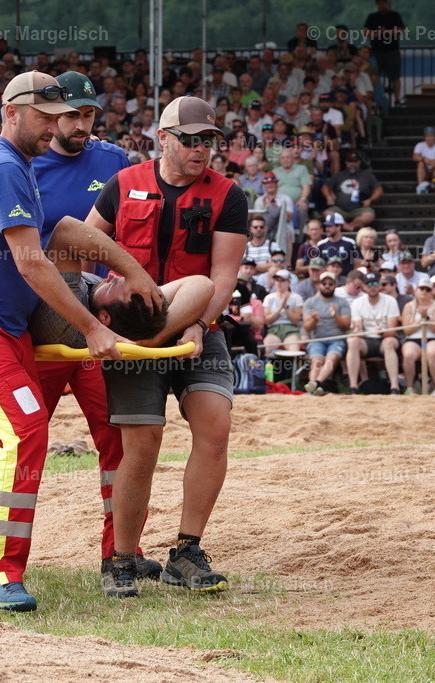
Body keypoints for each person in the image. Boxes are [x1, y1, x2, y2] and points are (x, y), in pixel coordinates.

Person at [0, 72, 154, 611]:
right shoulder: (7, 167)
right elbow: (32, 262)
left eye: (61, 118)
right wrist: (96, 325)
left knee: (18, 435)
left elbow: (63, 236)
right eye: (45, 117)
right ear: (11, 112)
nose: (55, 128)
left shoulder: (15, 164)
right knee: (21, 432)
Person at [85, 95, 249, 598]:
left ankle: (187, 550)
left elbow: (223, 276)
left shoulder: (228, 194)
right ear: (164, 138)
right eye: (191, 139)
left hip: (203, 326)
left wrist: (199, 324)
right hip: (133, 337)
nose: (202, 150)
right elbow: (84, 246)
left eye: (209, 141)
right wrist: (100, 309)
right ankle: (123, 558)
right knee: (142, 444)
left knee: (215, 426)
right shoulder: (123, 184)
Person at [29, 70, 165, 591]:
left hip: (96, 324)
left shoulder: (113, 162)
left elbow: (123, 233)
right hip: (39, 322)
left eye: (88, 114)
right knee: (20, 440)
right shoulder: (23, 161)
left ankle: (119, 554)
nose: (81, 124)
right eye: (71, 115)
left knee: (116, 439)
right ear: (48, 117)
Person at [345, 272, 401, 393]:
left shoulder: (390, 301)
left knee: (389, 343)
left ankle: (394, 387)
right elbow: (358, 327)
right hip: (366, 341)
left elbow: (392, 331)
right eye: (369, 284)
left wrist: (382, 333)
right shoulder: (357, 303)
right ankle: (353, 386)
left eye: (375, 283)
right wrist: (357, 331)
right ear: (363, 287)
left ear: (380, 285)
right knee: (352, 341)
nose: (372, 287)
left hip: (384, 339)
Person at [303, 271, 352, 395]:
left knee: (331, 358)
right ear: (319, 284)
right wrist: (314, 319)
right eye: (324, 283)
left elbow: (346, 326)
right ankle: (314, 387)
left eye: (330, 283)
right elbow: (307, 328)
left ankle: (316, 383)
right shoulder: (310, 302)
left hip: (337, 339)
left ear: (335, 285)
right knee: (317, 361)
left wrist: (336, 315)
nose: (327, 285)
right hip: (317, 339)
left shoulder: (342, 302)